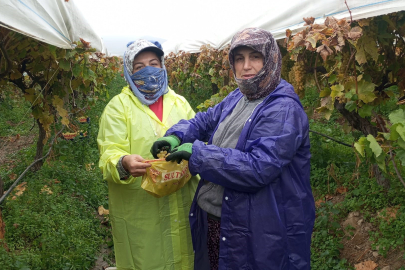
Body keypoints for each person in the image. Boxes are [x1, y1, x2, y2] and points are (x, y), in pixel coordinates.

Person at [151, 28, 316, 270]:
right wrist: (177, 136)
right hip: (222, 218)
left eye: (255, 57)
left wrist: (197, 153)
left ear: (271, 59)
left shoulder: (282, 109)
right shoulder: (240, 96)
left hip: (257, 227)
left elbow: (258, 167)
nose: (246, 66)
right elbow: (205, 120)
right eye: (239, 58)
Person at [97, 39, 198, 270]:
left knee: (186, 258)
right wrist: (123, 163)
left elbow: (198, 136)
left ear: (163, 67)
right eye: (140, 67)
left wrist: (193, 149)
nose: (149, 71)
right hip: (141, 211)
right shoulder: (118, 107)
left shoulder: (180, 103)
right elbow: (109, 153)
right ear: (128, 72)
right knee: (146, 260)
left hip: (182, 201)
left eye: (154, 63)